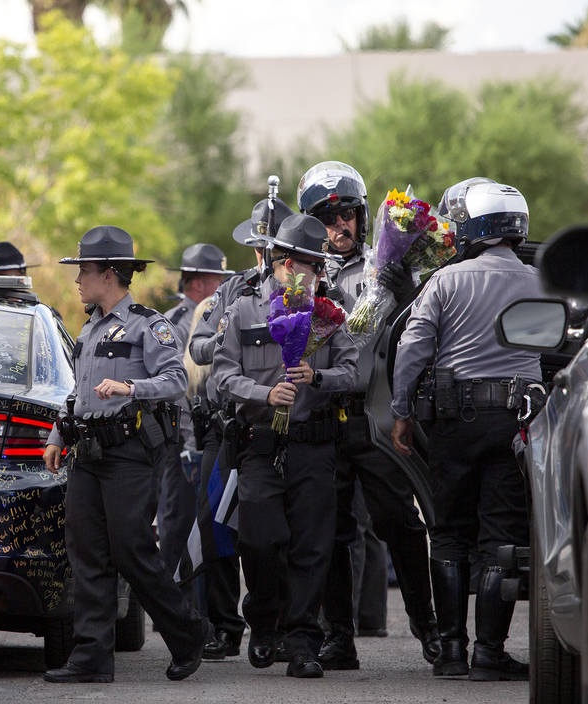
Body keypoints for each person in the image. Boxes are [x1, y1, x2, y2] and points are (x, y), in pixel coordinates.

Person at [389, 180, 543, 681]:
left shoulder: (446, 281)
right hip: (517, 423)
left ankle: (451, 652)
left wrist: (400, 409)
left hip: (454, 422)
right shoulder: (541, 281)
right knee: (502, 538)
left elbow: (413, 346)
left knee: (449, 533)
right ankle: (489, 655)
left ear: (473, 227)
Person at [42, 226, 208, 683]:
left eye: (84, 271)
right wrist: (59, 432)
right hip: (87, 454)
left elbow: (176, 380)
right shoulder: (91, 326)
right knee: (87, 553)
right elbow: (78, 392)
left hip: (129, 453)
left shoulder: (147, 325)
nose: (77, 280)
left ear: (110, 274)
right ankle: (92, 657)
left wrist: (133, 388)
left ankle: (188, 631)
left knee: (131, 550)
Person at [296, 161, 440, 670]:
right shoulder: (297, 275)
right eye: (326, 217)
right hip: (319, 419)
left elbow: (423, 330)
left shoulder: (387, 268)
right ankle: (339, 636)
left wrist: (406, 292)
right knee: (330, 529)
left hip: (373, 418)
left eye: (347, 216)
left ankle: (431, 631)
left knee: (399, 521)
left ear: (362, 217)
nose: (339, 227)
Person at [212, 213, 359, 679]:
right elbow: (221, 376)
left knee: (312, 547)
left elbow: (356, 373)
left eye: (312, 265)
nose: (302, 272)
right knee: (258, 538)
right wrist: (264, 394)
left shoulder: (330, 314)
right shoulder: (243, 310)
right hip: (260, 443)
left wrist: (319, 376)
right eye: (294, 262)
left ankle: (302, 644)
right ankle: (264, 620)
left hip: (313, 445)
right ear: (277, 261)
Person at [188, 194, 295, 661]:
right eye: (256, 247)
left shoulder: (303, 288)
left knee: (271, 534)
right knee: (214, 526)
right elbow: (197, 349)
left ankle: (270, 621)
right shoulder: (232, 290)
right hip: (226, 426)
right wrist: (229, 330)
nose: (261, 256)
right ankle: (224, 625)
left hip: (280, 426)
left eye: (267, 246)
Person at [157, 244, 234, 584]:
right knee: (177, 519)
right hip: (182, 439)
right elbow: (177, 389)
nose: (222, 287)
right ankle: (171, 602)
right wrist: (189, 442)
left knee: (208, 522)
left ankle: (199, 609)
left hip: (212, 433)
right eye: (218, 280)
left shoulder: (220, 313)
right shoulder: (174, 324)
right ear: (199, 283)